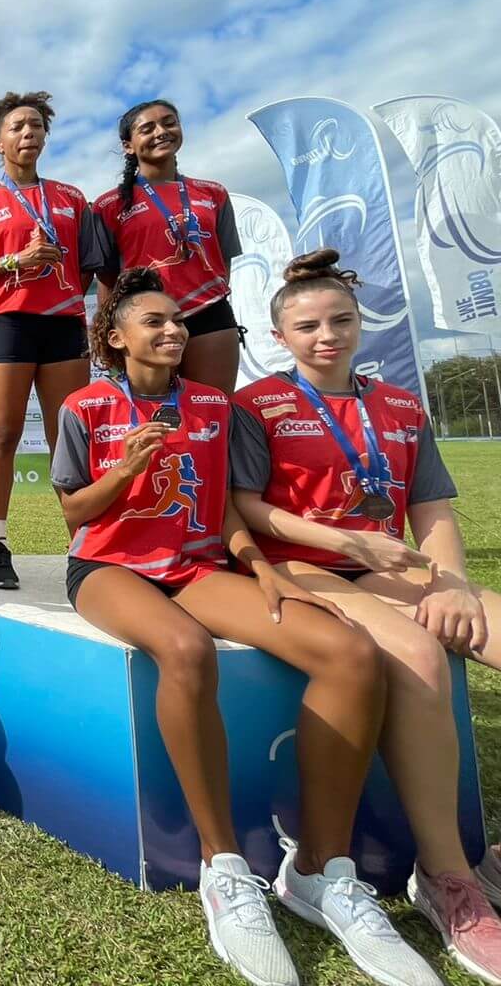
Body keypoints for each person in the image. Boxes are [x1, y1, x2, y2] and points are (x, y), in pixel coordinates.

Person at [52, 267, 434, 986]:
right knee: (185, 649)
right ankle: (223, 868)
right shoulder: (87, 405)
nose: (173, 331)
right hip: (110, 566)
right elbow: (76, 515)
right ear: (114, 336)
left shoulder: (213, 406)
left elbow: (227, 506)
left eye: (178, 321)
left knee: (348, 652)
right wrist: (126, 471)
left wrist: (259, 564)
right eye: (154, 321)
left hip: (198, 564)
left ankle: (321, 870)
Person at [231, 248, 501, 982]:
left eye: (340, 320)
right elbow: (251, 511)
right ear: (279, 335)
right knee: (416, 657)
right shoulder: (256, 405)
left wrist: (449, 584)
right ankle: (449, 884)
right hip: (302, 564)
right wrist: (344, 541)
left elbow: (431, 512)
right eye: (308, 325)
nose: (327, 335)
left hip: (392, 564)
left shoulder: (403, 406)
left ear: (360, 323)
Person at [0, 90, 99, 590]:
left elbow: (92, 269)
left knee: (69, 437)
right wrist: (16, 262)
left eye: (36, 125)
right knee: (4, 434)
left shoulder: (73, 199)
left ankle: (82, 542)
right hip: (7, 323)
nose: (28, 132)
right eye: (17, 126)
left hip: (62, 322)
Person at [91, 99, 243, 393]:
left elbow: (224, 263)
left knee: (214, 413)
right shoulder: (109, 205)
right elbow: (107, 278)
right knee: (154, 417)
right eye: (147, 128)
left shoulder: (213, 193)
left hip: (209, 313)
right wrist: (112, 330)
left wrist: (206, 294)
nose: (161, 131)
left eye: (169, 122)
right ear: (128, 146)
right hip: (144, 321)